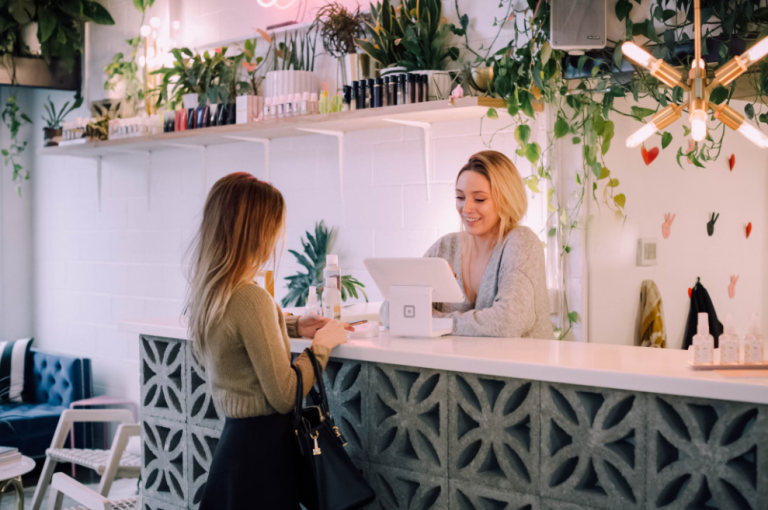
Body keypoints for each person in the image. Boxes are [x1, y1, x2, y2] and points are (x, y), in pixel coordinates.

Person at [185, 172, 352, 509]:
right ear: (257, 232)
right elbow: (284, 394)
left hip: (234, 449)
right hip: (262, 458)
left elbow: (239, 331)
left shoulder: (212, 292)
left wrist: (292, 325)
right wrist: (321, 345)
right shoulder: (250, 298)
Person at [382, 150, 553, 339]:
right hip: (458, 359)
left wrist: (434, 321)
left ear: (506, 199)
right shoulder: (445, 247)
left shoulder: (521, 243)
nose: (466, 208)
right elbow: (390, 312)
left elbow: (507, 322)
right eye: (460, 197)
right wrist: (425, 289)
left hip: (519, 359)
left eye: (479, 199)